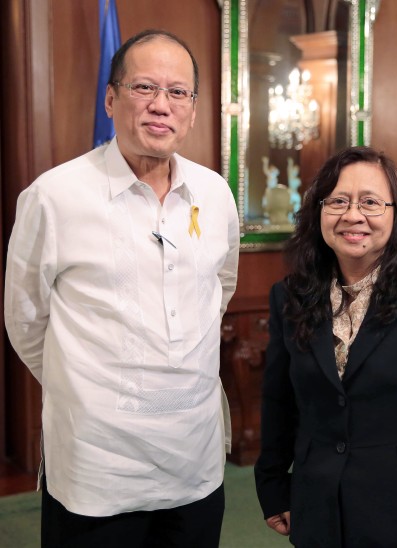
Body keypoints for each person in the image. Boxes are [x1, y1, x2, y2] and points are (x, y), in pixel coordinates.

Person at [4, 29, 240, 548]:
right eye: (144, 88)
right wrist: (89, 386)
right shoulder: (53, 196)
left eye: (178, 92)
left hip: (193, 461)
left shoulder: (215, 193)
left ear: (194, 110)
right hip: (97, 467)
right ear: (110, 99)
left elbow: (219, 288)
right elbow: (24, 318)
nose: (162, 105)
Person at [254, 146, 397, 547]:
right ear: (318, 212)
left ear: (396, 214)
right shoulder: (288, 296)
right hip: (319, 506)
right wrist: (273, 484)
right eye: (338, 201)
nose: (353, 215)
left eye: (371, 202)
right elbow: (279, 400)